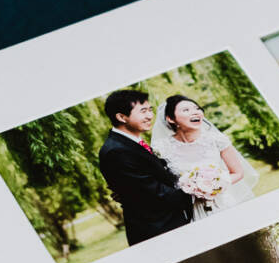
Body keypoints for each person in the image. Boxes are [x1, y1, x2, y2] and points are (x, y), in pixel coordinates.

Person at [96, 89, 195, 245]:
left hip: (168, 224)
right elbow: (152, 193)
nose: (150, 116)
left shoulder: (129, 143)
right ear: (121, 117)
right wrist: (197, 191)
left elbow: (157, 175)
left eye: (150, 110)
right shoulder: (116, 151)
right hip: (158, 232)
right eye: (143, 111)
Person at [151, 95, 257, 219]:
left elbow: (238, 173)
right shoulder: (162, 148)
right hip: (189, 210)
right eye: (186, 110)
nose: (195, 112)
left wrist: (215, 184)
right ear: (170, 119)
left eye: (197, 108)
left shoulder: (216, 139)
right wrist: (191, 189)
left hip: (223, 203)